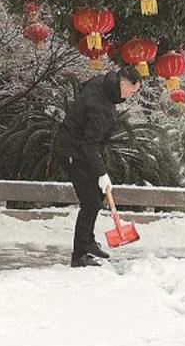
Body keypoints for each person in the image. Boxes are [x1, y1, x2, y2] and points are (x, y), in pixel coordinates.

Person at [53, 67, 142, 267]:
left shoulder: (102, 82)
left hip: (77, 144)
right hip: (71, 151)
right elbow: (89, 144)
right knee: (91, 201)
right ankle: (79, 255)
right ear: (123, 83)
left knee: (97, 195)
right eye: (131, 91)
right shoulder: (102, 108)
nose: (131, 95)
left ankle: (88, 241)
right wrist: (101, 173)